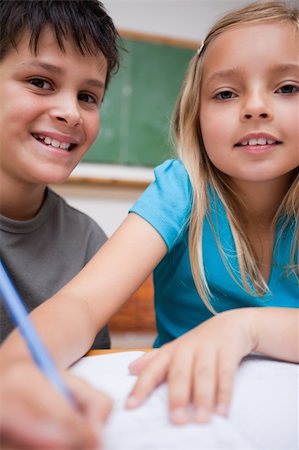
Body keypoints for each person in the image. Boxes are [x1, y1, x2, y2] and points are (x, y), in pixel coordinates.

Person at [1, 0, 298, 446]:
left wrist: (245, 328)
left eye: (289, 87)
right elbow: (80, 305)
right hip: (183, 420)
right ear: (195, 116)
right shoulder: (181, 190)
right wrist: (18, 367)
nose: (255, 107)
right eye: (224, 94)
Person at [0, 0, 120, 448]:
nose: (70, 112)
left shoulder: (89, 241)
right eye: (40, 82)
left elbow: (87, 375)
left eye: (88, 96)